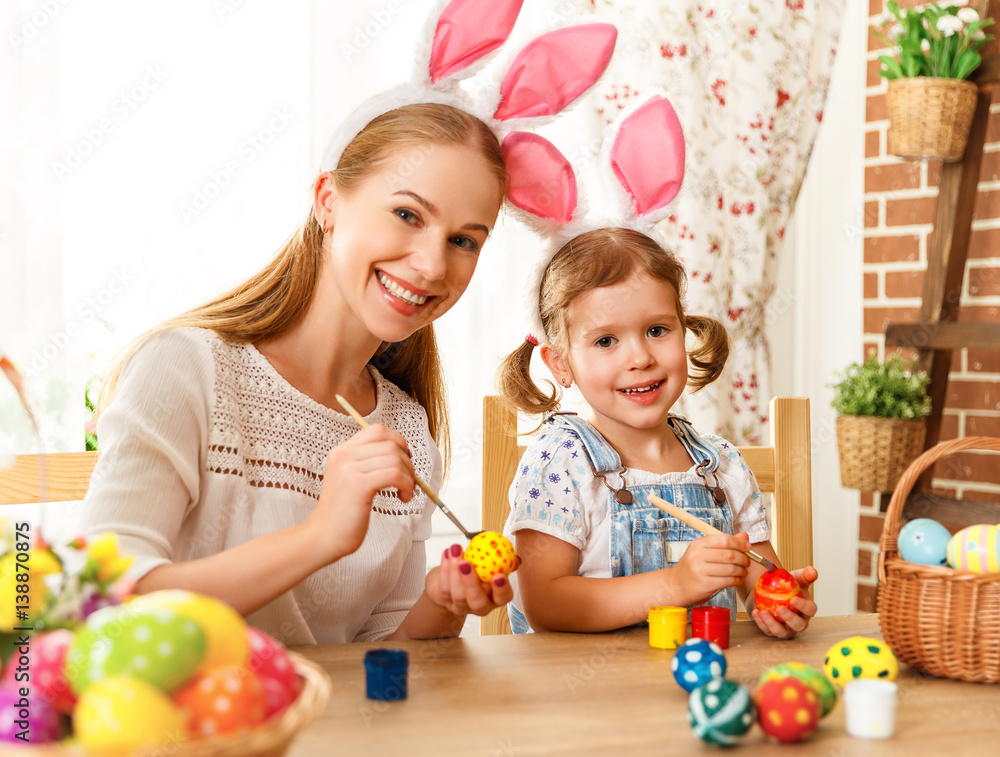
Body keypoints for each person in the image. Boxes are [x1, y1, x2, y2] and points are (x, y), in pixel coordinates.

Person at [78, 102, 513, 645]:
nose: (432, 264)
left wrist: (443, 604)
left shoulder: (409, 428)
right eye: (407, 214)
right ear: (328, 201)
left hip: (336, 727)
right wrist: (320, 536)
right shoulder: (185, 368)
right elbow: (106, 606)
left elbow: (380, 655)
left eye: (464, 240)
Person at [497, 227, 818, 638]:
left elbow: (757, 583)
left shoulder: (721, 467)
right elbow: (546, 604)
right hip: (584, 697)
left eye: (657, 330)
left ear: (683, 330)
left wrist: (778, 603)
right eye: (606, 340)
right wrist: (674, 585)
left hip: (700, 688)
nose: (640, 358)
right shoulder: (560, 462)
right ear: (560, 364)